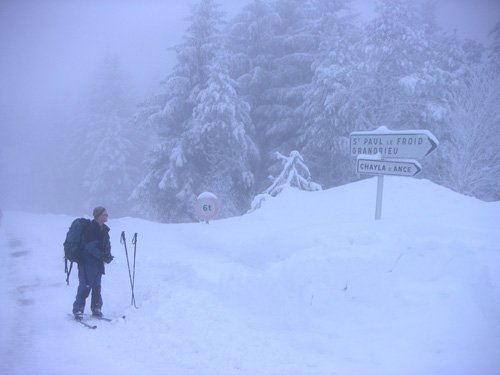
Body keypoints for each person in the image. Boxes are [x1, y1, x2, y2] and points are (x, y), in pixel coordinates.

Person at [72, 206, 114, 320]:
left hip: (97, 263)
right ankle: (78, 309)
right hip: (87, 262)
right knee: (85, 285)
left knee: (96, 286)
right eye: (105, 214)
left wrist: (108, 255)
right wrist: (102, 255)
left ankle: (96, 308)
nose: (107, 216)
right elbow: (90, 246)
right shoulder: (90, 228)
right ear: (99, 216)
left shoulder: (104, 229)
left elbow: (106, 244)